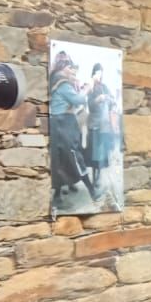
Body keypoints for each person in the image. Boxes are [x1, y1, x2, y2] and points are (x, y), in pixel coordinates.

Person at [49, 57, 96, 203]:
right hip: (65, 123)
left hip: (57, 122)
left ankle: (58, 194)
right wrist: (87, 89)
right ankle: (92, 191)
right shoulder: (63, 84)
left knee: (59, 158)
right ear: (62, 68)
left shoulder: (55, 81)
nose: (71, 71)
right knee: (74, 156)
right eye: (69, 67)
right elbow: (78, 100)